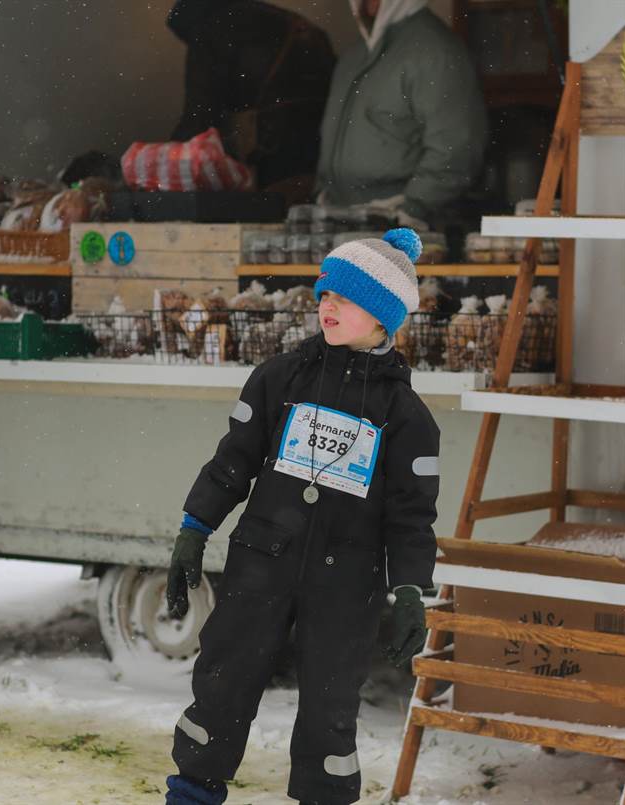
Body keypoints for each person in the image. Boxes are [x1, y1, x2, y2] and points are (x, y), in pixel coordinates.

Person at [164, 228, 440, 805]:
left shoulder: (407, 416)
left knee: (329, 710)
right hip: (261, 562)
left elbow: (411, 517)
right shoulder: (280, 377)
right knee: (222, 682)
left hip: (347, 585)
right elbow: (233, 462)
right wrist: (195, 527)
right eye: (325, 295)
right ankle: (190, 795)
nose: (327, 306)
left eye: (346, 298)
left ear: (384, 316)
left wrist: (411, 589)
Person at [315, 0, 488, 228]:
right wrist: (322, 195)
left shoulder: (435, 50)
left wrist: (412, 209)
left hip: (401, 227)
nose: (368, 4)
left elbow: (456, 149)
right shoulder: (354, 56)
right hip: (343, 223)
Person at [167, 0, 336, 195]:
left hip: (275, 163)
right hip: (328, 159)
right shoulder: (290, 21)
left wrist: (158, 163)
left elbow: (197, 121)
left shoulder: (207, 29)